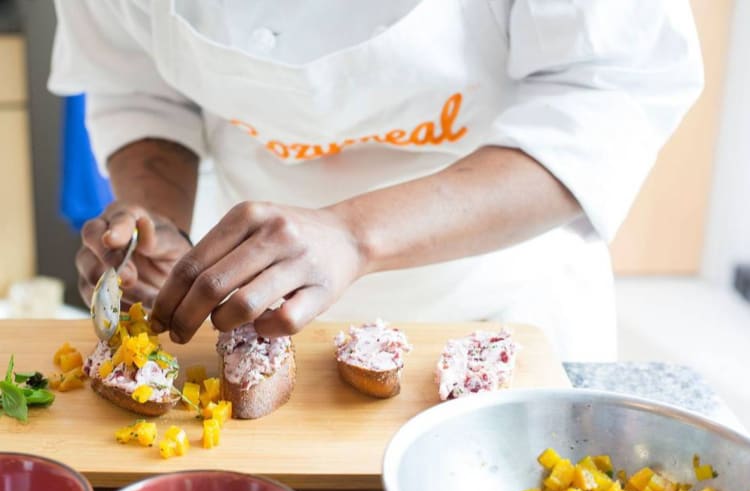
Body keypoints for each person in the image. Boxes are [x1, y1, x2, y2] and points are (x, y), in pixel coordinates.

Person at [49, 0, 703, 361]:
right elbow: (139, 84)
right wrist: (164, 223)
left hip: (497, 298)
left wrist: (352, 233)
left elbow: (609, 98)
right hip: (247, 308)